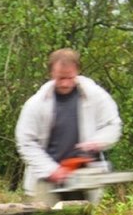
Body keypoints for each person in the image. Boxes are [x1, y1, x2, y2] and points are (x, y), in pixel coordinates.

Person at [15, 48, 122, 204]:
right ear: (52, 73)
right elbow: (25, 142)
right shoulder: (36, 104)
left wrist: (98, 141)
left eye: (70, 78)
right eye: (60, 78)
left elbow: (112, 125)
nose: (65, 83)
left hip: (84, 178)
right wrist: (52, 170)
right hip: (46, 180)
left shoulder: (96, 96)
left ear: (77, 71)